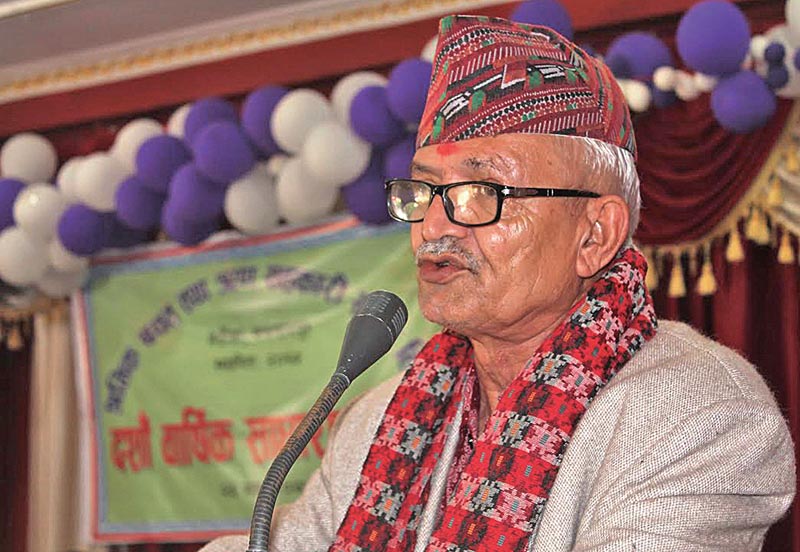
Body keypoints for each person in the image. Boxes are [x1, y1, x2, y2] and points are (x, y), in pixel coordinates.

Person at [204, 15, 795, 552]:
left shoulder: (702, 414)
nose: (433, 226)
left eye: (481, 192)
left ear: (595, 233)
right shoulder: (377, 417)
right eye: (425, 190)